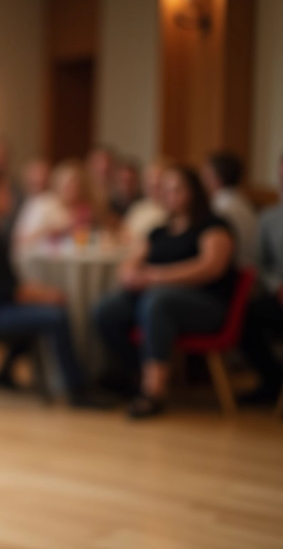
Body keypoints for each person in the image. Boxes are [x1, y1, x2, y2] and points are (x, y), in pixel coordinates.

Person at [94, 166, 237, 419]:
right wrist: (130, 274)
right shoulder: (159, 231)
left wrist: (157, 277)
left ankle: (153, 392)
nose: (169, 195)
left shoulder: (213, 225)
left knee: (156, 301)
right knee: (107, 310)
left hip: (207, 305)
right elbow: (131, 261)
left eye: (176, 189)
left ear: (193, 192)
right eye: (166, 190)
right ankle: (133, 374)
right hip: (158, 299)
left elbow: (211, 267)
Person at [0, 171, 106, 407]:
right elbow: (4, 291)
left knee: (49, 309)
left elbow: (7, 285)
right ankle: (77, 391)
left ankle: (5, 374)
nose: (10, 197)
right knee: (56, 317)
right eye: (4, 192)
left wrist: (41, 293)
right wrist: (46, 295)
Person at [238, 154, 283, 405]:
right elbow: (259, 264)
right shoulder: (269, 218)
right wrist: (278, 286)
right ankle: (272, 381)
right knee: (244, 317)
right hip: (279, 295)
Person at [14, 159, 96, 257]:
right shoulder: (42, 204)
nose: (72, 189)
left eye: (75, 185)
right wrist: (50, 230)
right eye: (68, 185)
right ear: (58, 184)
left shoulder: (84, 209)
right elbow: (20, 241)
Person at [203, 151, 258, 267]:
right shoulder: (243, 202)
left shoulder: (220, 208)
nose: (202, 179)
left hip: (234, 270)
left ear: (216, 178)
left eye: (206, 174)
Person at [122, 158, 169, 243]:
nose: (153, 183)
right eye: (149, 179)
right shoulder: (138, 207)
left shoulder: (170, 213)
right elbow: (123, 234)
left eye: (158, 181)